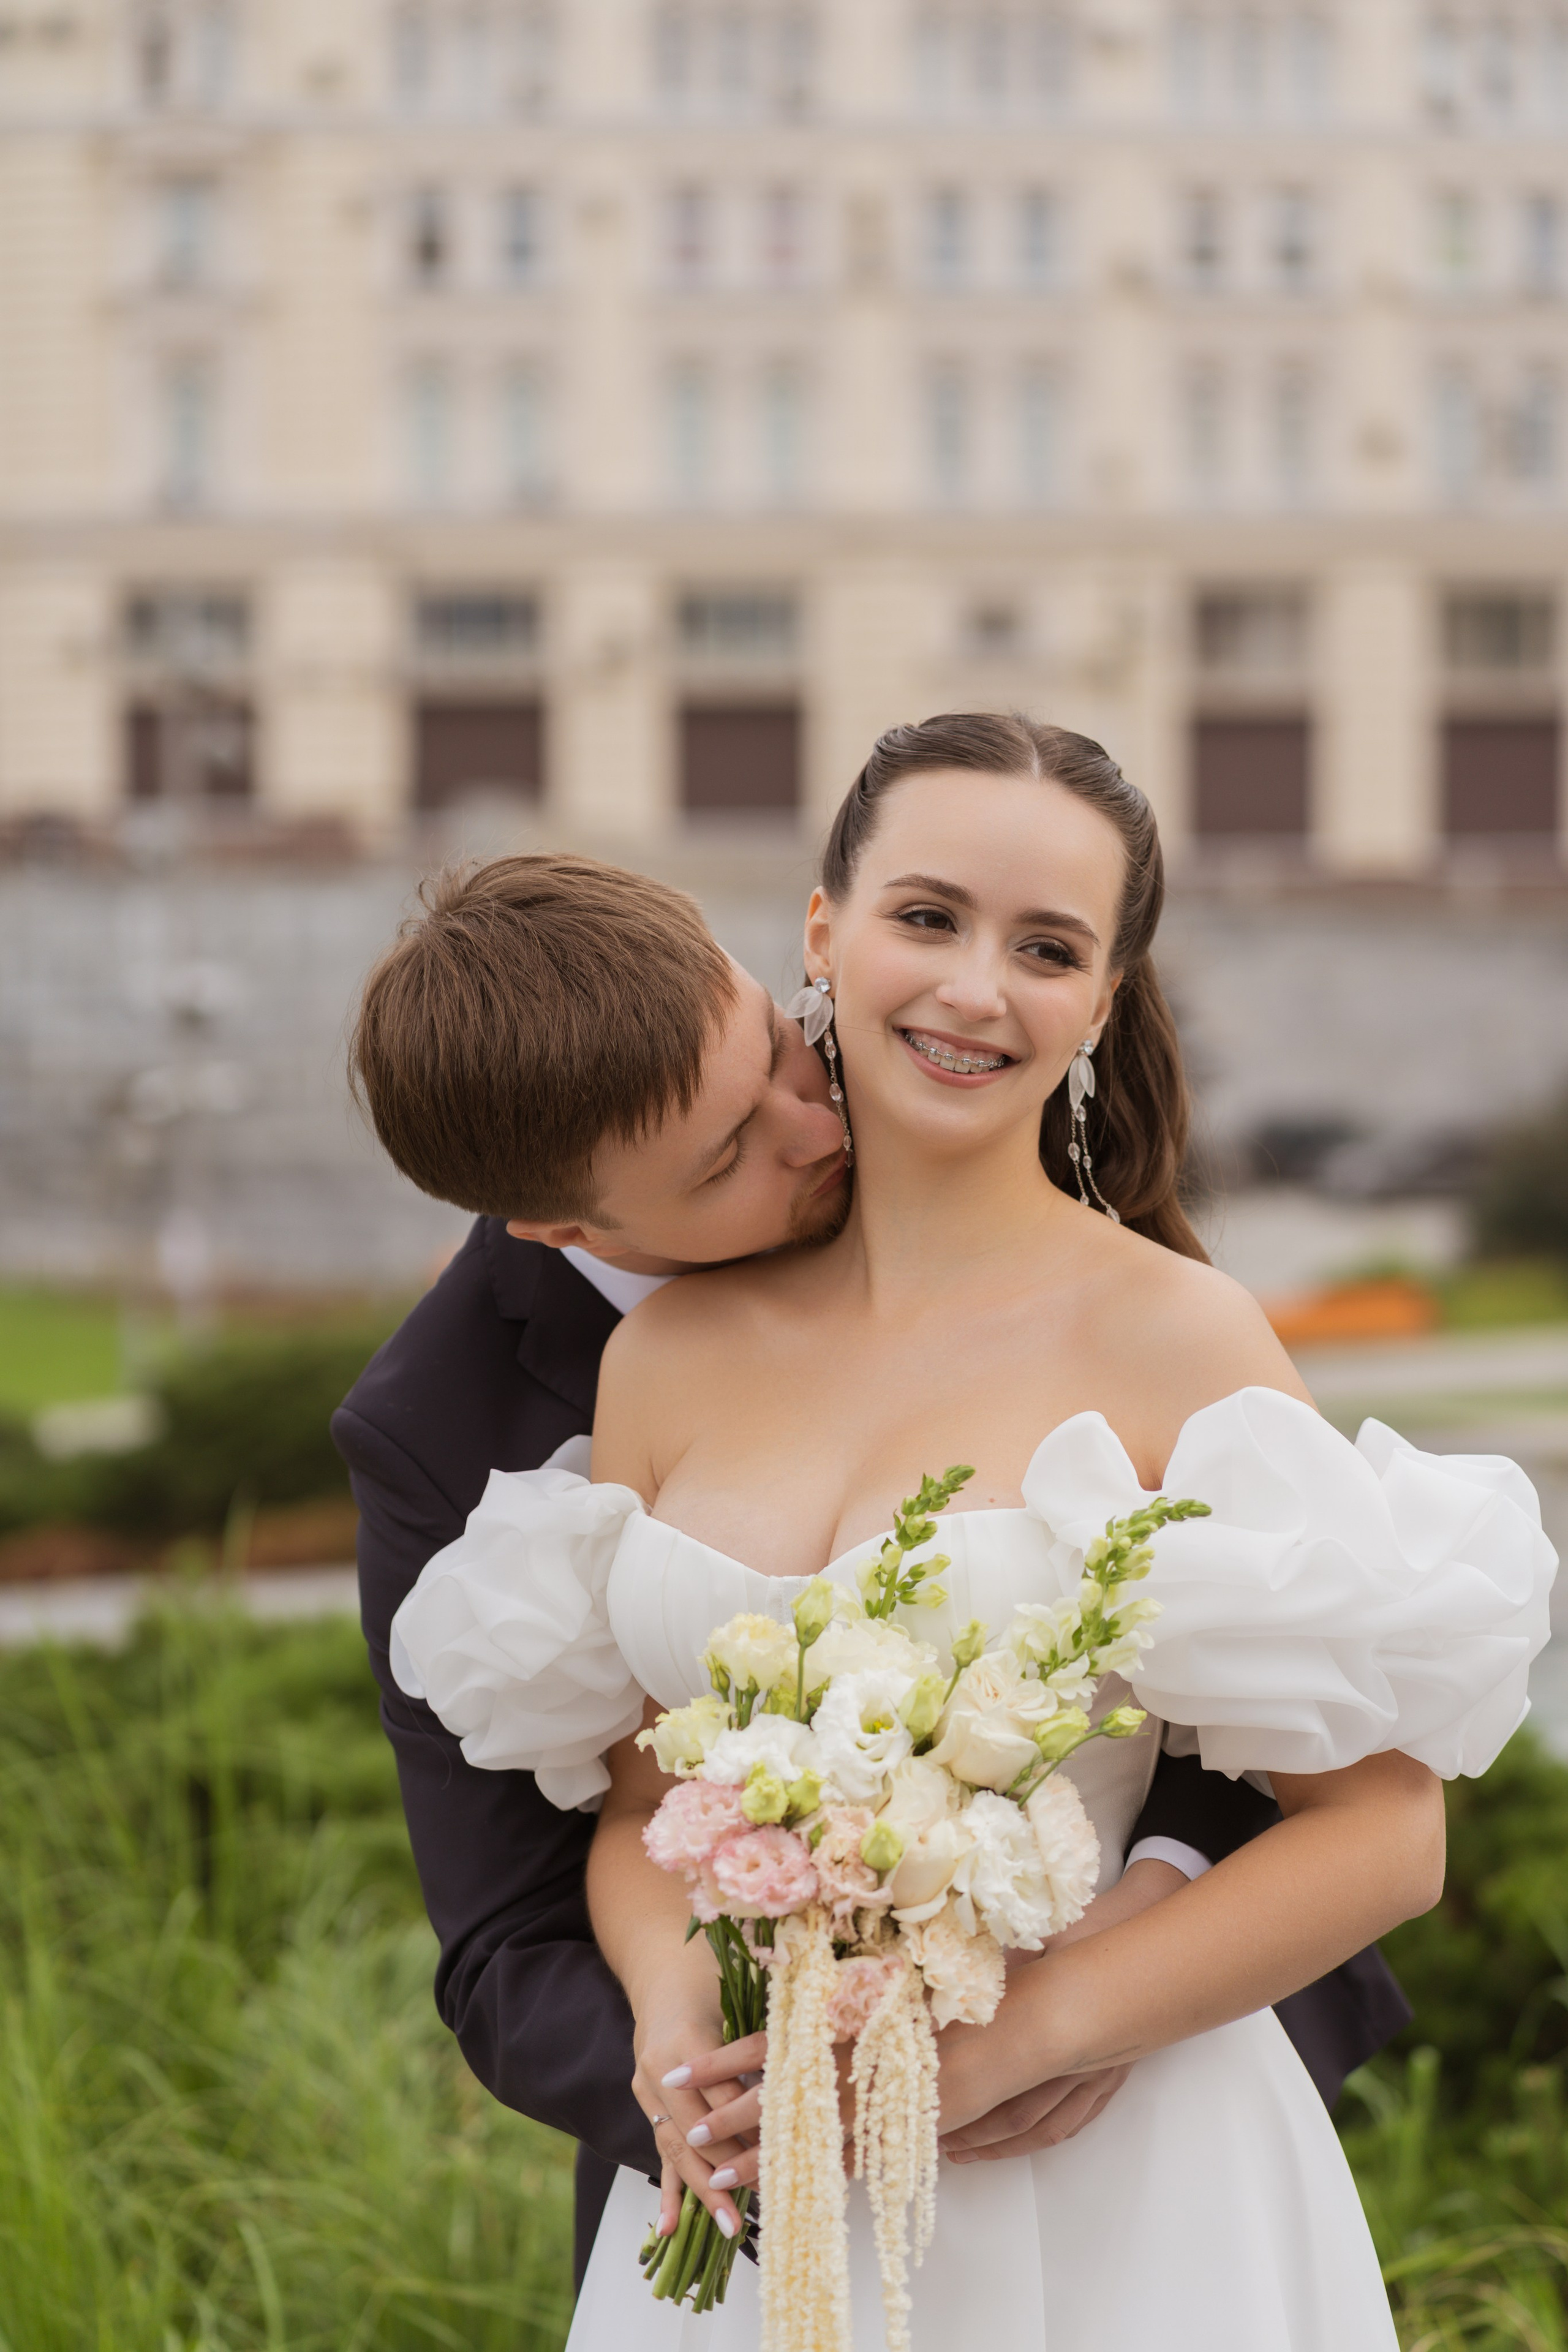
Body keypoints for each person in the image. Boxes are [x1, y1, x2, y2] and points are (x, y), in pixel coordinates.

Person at [388, 718, 1556, 2351]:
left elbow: (1385, 1836)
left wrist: (1033, 2035)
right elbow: (648, 1807)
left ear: (1099, 1000)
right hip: (765, 2188)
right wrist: (679, 2026)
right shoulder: (656, 1360)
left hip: (1119, 2174)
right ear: (821, 934)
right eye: (926, 917)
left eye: (1049, 947)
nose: (973, 988)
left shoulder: (1178, 1339)